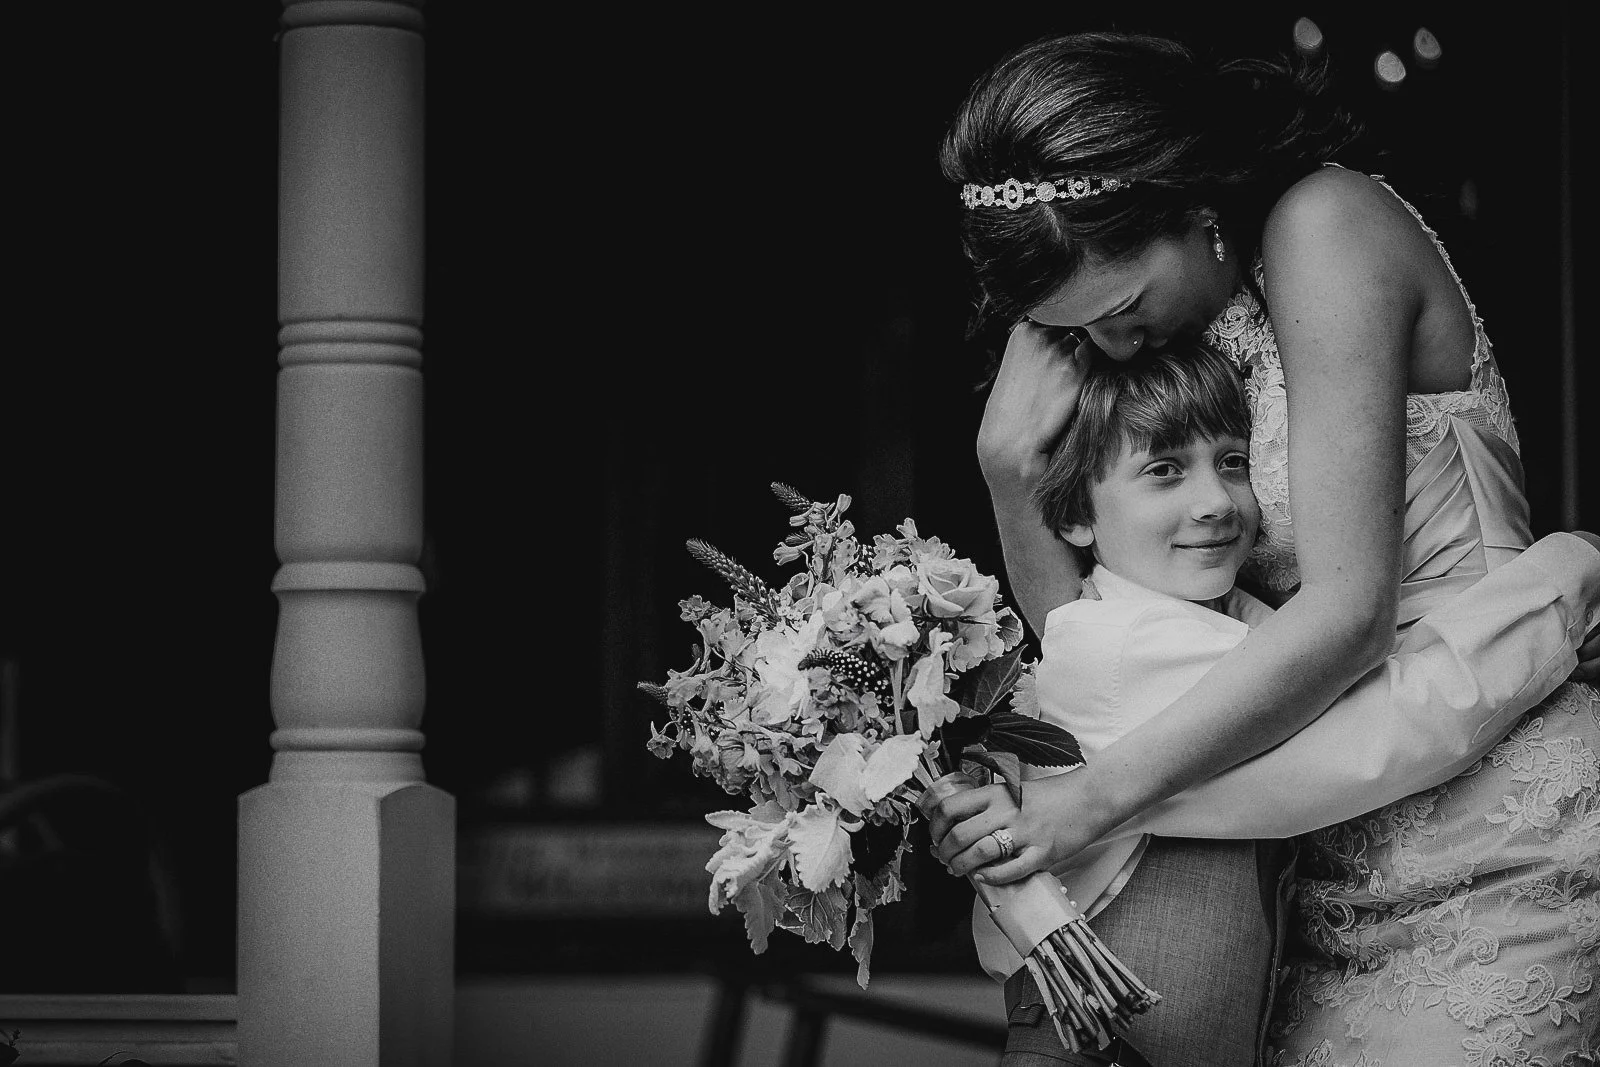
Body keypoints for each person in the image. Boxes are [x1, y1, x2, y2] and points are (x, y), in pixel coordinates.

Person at [919, 31, 1600, 1067]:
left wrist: (1089, 801)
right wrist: (1010, 473)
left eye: (1119, 309)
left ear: (1196, 211)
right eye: (1073, 331)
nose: (1108, 348)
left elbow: (1349, 615)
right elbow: (1110, 651)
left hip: (1493, 819)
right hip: (1309, 849)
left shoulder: (1322, 224)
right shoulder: (1185, 323)